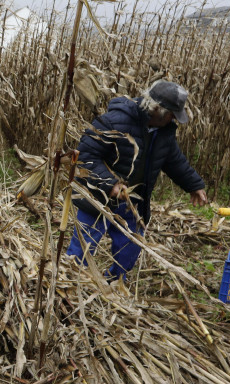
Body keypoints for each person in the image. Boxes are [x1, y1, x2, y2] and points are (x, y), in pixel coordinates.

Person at [67, 79, 209, 281]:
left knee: (129, 249)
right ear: (157, 109)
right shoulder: (113, 121)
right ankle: (68, 282)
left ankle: (115, 283)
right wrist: (110, 184)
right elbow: (86, 156)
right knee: (83, 246)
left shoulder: (164, 132)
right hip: (98, 198)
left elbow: (173, 160)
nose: (173, 120)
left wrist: (194, 185)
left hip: (133, 201)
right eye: (171, 115)